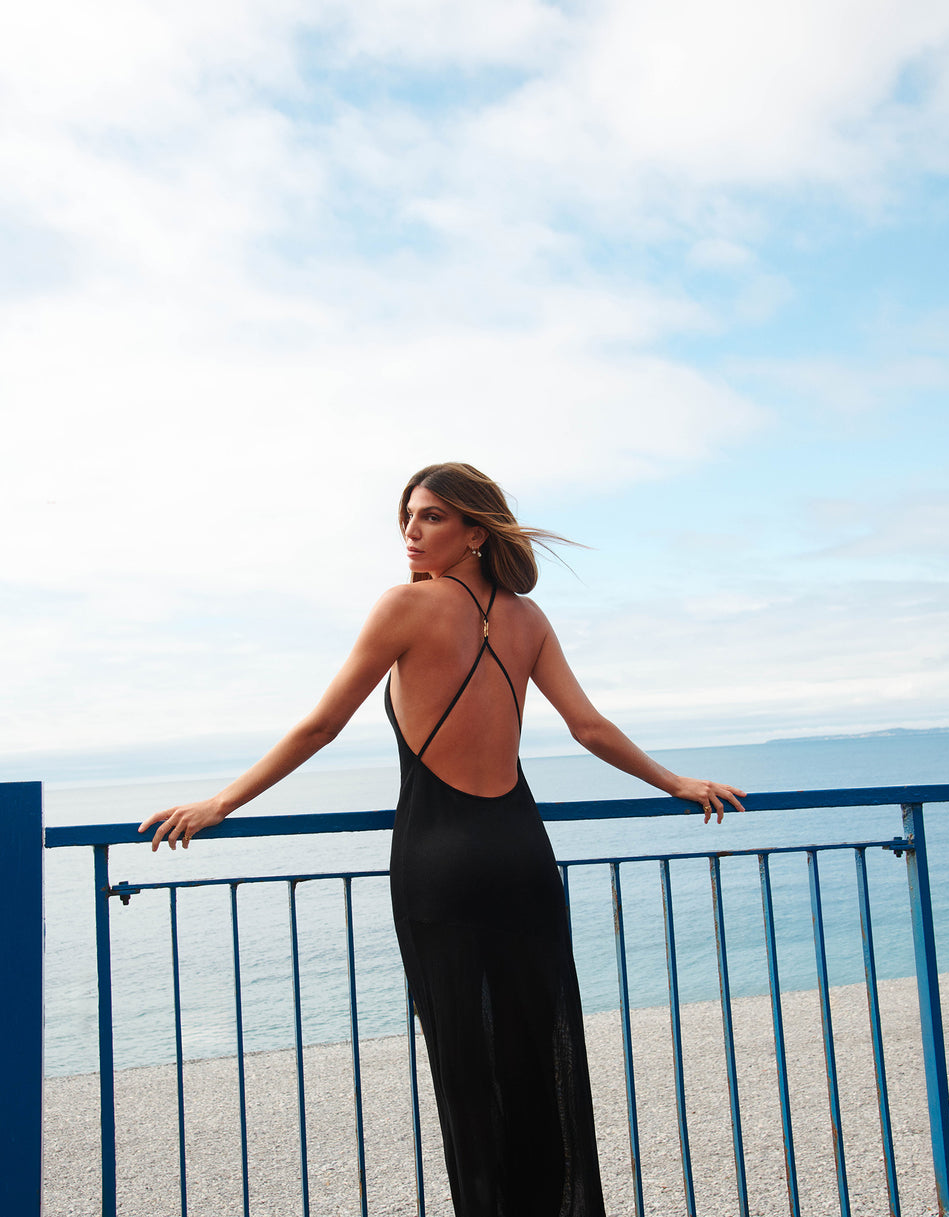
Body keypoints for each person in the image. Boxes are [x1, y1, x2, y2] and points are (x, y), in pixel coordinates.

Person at [139, 461, 746, 1217]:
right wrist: (675, 782)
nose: (411, 531)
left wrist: (221, 802)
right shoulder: (527, 618)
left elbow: (321, 725)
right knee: (540, 1051)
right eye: (407, 516)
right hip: (523, 855)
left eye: (430, 516)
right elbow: (587, 727)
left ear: (475, 531)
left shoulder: (404, 607)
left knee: (467, 1072)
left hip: (440, 863)